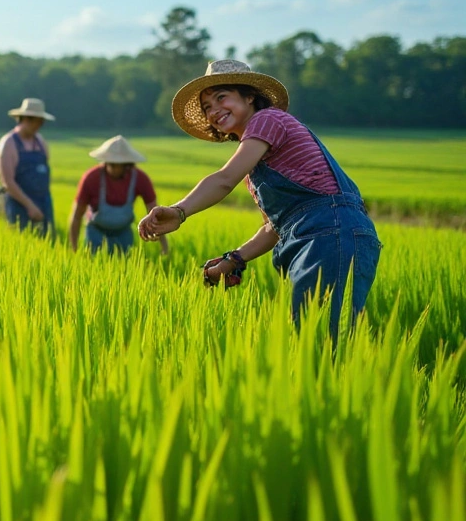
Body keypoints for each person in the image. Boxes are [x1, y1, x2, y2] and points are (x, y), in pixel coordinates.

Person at [138, 59, 381, 336]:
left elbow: (223, 179)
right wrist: (233, 260)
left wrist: (179, 212)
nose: (214, 111)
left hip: (330, 232)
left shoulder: (268, 119)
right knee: (309, 339)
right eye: (207, 108)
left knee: (322, 343)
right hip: (313, 236)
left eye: (221, 98)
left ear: (250, 96)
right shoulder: (255, 167)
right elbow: (273, 228)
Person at [68, 136, 167, 256]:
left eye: (118, 165)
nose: (114, 169)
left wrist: (164, 247)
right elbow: (77, 215)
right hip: (96, 232)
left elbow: (154, 214)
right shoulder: (91, 178)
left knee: (124, 267)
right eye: (111, 164)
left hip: (123, 232)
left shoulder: (140, 179)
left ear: (127, 165)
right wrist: (73, 248)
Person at [0, 98, 56, 236]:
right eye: (37, 122)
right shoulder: (9, 144)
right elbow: (7, 182)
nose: (40, 126)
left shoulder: (41, 142)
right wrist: (30, 206)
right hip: (20, 206)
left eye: (41, 122)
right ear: (26, 119)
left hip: (44, 202)